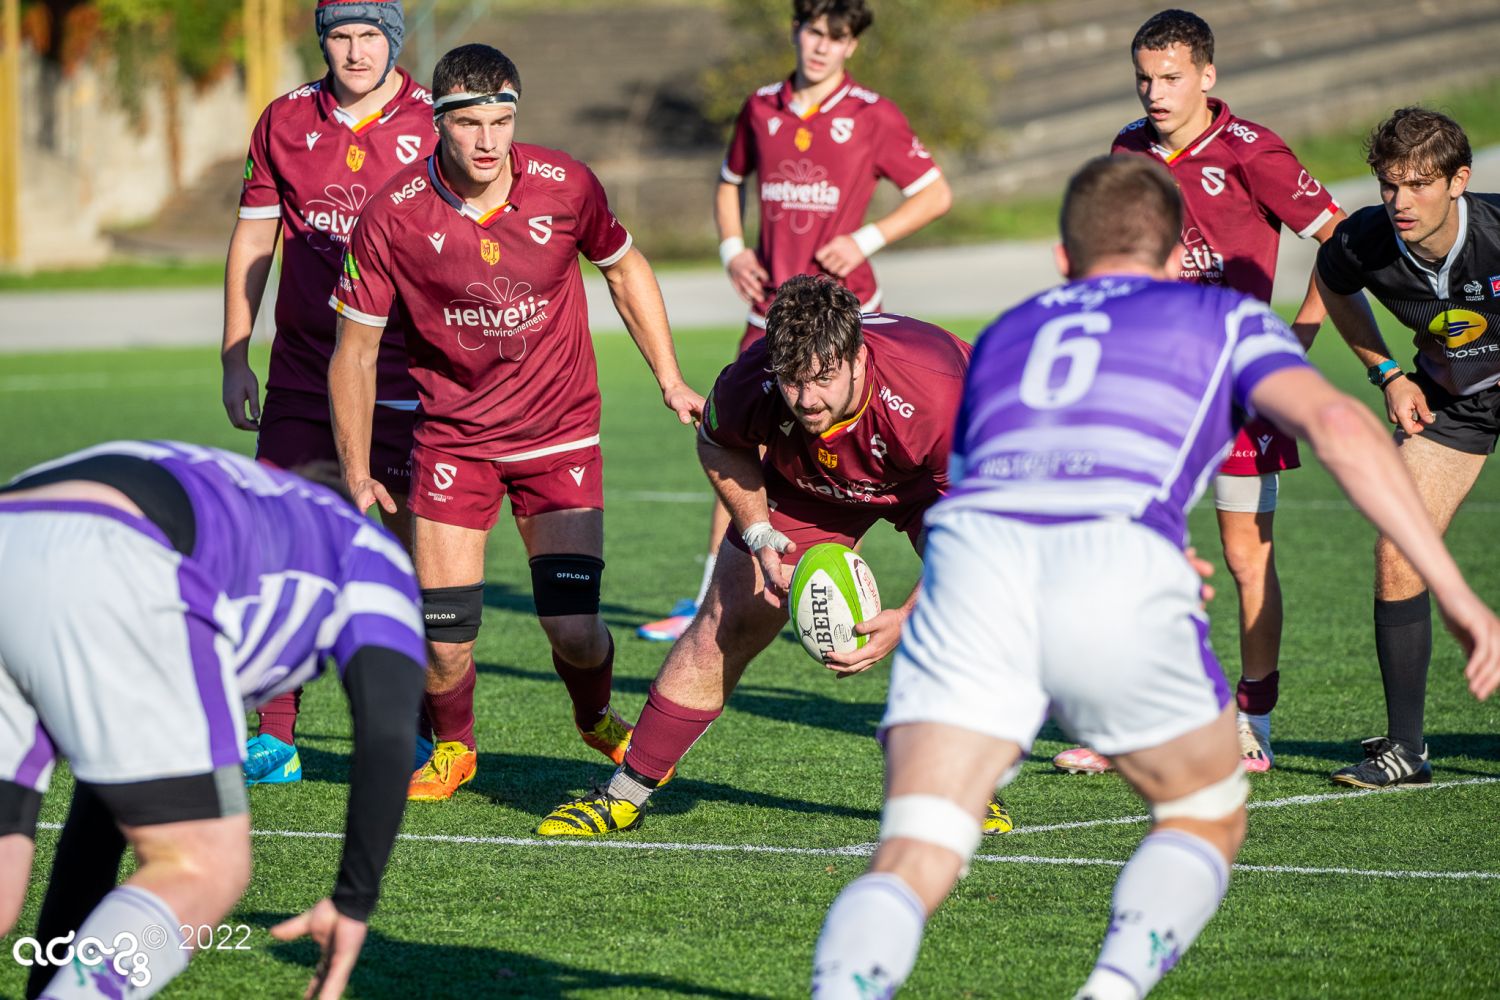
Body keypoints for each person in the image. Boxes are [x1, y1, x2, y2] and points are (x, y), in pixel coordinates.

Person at [809, 155, 1500, 1000]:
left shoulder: (1005, 336)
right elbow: (1338, 426)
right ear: (1178, 258)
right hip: (1114, 570)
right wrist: (1454, 591)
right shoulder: (1218, 315)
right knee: (1204, 813)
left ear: (1062, 259)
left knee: (918, 847)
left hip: (967, 583)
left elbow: (1005, 496)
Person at [329, 43, 703, 803]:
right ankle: (455, 749)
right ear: (438, 122)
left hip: (559, 436)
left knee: (575, 633)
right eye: (470, 123)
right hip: (453, 443)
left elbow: (625, 268)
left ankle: (594, 715)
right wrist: (356, 469)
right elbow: (355, 352)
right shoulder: (393, 215)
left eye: (501, 121)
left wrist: (669, 378)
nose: (488, 140)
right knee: (445, 639)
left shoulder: (568, 185)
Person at [536, 275, 1012, 838]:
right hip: (813, 482)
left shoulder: (937, 395)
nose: (806, 400)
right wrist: (759, 532)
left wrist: (908, 618)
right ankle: (625, 793)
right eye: (792, 381)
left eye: (823, 379)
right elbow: (718, 442)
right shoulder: (754, 376)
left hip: (940, 487)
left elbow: (981, 531)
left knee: (964, 615)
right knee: (728, 618)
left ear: (858, 358)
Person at [0, 441, 428, 1000]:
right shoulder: (367, 550)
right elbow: (389, 732)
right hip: (121, 545)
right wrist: (354, 899)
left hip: (18, 517)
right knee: (203, 866)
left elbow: (103, 810)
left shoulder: (250, 500)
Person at [1054, 8, 1345, 775]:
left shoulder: (1253, 151)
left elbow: (1341, 241)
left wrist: (1296, 339)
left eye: (1171, 77)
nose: (1155, 92)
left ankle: (1253, 723)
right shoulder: (1127, 149)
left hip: (1240, 392)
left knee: (1246, 560)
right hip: (1151, 389)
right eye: (1144, 78)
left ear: (1207, 76)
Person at [637, 0, 953, 644]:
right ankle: (713, 592)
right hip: (770, 317)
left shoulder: (873, 114)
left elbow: (935, 193)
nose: (821, 46)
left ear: (852, 46)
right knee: (735, 438)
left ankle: (890, 581)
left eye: (836, 37)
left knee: (865, 447)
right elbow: (729, 182)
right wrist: (733, 249)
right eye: (813, 32)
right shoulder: (761, 107)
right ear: (795, 31)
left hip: (848, 318)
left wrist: (865, 238)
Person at [225, 0, 435, 786]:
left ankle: (415, 731)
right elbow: (254, 238)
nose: (354, 52)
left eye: (369, 35)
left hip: (408, 378)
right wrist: (235, 354)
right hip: (304, 373)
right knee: (279, 548)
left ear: (393, 39)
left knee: (410, 557)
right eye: (340, 36)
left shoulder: (437, 122)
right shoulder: (283, 120)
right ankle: (274, 735)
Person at [1315, 108, 1500, 787]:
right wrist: (1388, 373)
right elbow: (1332, 285)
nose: (1401, 201)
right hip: (1455, 402)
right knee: (1399, 549)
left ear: (1458, 181)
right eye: (1390, 185)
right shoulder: (1363, 240)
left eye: (1419, 185)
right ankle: (1406, 748)